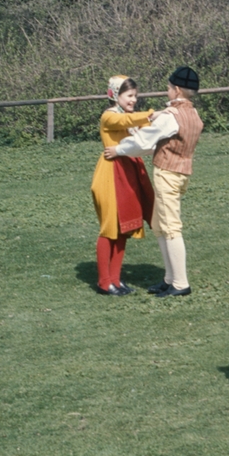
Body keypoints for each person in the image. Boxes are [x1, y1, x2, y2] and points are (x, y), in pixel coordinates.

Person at [104, 66, 203, 298]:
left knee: (170, 228)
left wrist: (118, 149)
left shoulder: (170, 117)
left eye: (169, 88)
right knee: (160, 225)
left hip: (167, 174)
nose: (167, 91)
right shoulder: (194, 115)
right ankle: (169, 278)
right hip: (181, 172)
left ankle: (180, 283)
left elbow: (144, 142)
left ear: (177, 90)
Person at [89, 75, 154, 296]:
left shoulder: (129, 117)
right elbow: (125, 122)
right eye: (129, 95)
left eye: (136, 96)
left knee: (123, 229)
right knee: (109, 228)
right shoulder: (109, 116)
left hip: (127, 173)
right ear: (116, 95)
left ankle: (116, 279)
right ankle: (103, 281)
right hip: (110, 174)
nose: (133, 100)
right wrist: (151, 115)